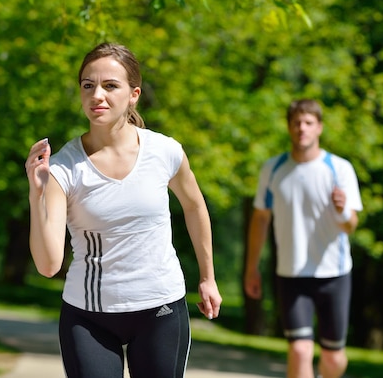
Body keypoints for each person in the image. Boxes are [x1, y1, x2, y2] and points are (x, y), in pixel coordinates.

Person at [24, 42, 222, 378]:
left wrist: (208, 277)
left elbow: (194, 205)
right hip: (88, 316)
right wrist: (35, 192)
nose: (97, 95)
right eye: (88, 85)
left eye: (110, 85)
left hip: (160, 307)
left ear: (134, 94)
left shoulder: (165, 151)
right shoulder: (63, 168)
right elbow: (47, 265)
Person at [244, 99, 362, 378]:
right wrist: (252, 268)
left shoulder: (339, 169)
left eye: (308, 123)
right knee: (299, 350)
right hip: (291, 274)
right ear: (289, 127)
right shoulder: (273, 169)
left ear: (319, 128)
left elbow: (351, 226)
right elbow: (260, 219)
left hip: (334, 274)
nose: (302, 129)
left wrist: (343, 208)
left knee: (333, 359)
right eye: (296, 123)